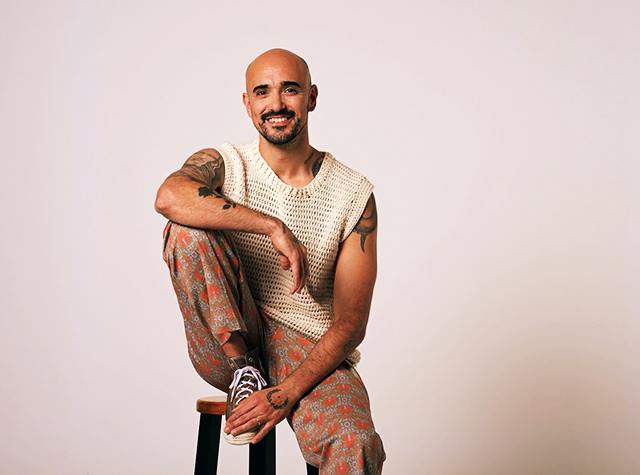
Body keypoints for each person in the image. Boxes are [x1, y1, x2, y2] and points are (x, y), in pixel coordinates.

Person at [155, 48, 385, 474]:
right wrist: (271, 226)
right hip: (226, 340)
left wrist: (286, 393)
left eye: (290, 90)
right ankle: (245, 370)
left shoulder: (353, 194)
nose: (276, 103)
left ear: (311, 97)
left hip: (307, 347)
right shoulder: (224, 165)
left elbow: (352, 322)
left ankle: (267, 382)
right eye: (262, 92)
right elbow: (169, 197)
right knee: (186, 230)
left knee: (356, 443)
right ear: (248, 104)